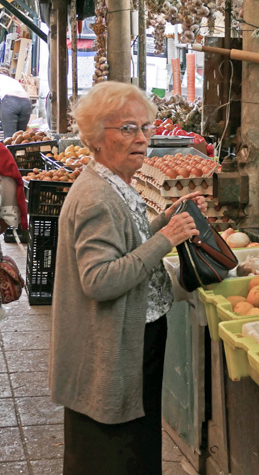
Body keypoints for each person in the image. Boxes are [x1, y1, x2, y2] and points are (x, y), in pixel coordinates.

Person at [49, 82, 205, 474]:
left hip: (133, 342)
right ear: (97, 138)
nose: (142, 139)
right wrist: (166, 240)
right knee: (111, 456)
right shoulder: (97, 197)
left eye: (146, 128)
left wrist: (164, 221)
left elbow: (125, 243)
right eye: (128, 129)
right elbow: (100, 280)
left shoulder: (114, 184)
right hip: (110, 350)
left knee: (133, 447)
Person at [0, 67, 31, 137]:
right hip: (26, 103)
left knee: (9, 138)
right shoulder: (13, 81)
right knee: (20, 137)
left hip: (10, 102)